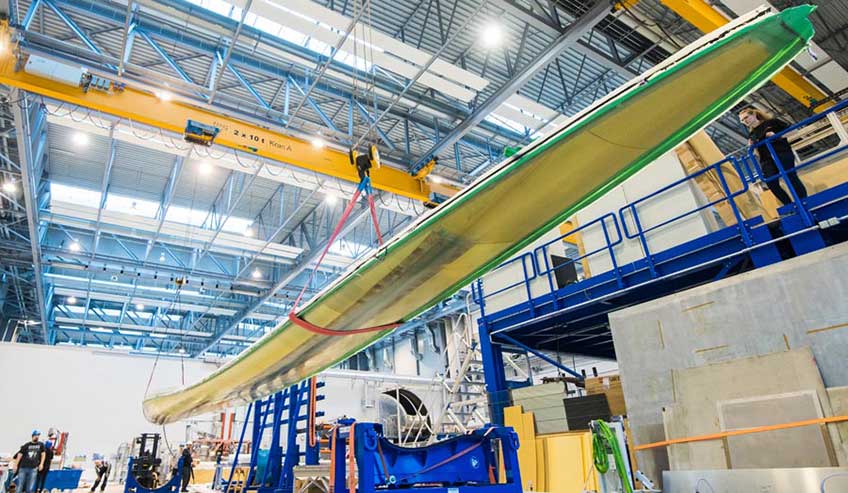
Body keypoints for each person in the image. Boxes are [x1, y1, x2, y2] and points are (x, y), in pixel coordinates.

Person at [739, 106, 808, 206]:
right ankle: (789, 204)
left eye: (746, 117)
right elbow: (755, 151)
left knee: (790, 176)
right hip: (766, 159)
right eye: (742, 120)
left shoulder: (772, 123)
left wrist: (777, 135)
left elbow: (793, 131)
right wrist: (751, 146)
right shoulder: (752, 134)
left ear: (754, 115)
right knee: (771, 183)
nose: (745, 121)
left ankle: (803, 201)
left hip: (782, 153)